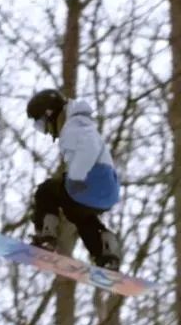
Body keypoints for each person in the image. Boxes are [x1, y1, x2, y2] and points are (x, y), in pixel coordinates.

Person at [25, 88, 122, 271]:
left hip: (92, 181)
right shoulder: (82, 124)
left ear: (50, 114)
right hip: (108, 191)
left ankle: (46, 238)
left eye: (40, 124)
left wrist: (76, 176)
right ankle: (105, 252)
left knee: (46, 191)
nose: (45, 131)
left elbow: (90, 148)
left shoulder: (73, 126)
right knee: (79, 215)